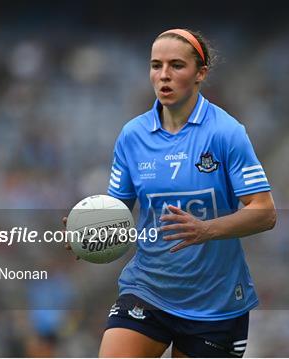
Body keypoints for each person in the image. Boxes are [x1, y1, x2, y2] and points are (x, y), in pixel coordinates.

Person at [69, 28, 276, 357]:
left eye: (176, 65)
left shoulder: (226, 133)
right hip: (147, 289)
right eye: (156, 65)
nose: (163, 75)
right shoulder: (132, 136)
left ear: (200, 73)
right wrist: (92, 229)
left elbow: (264, 212)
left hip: (215, 303)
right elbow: (118, 210)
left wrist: (205, 229)